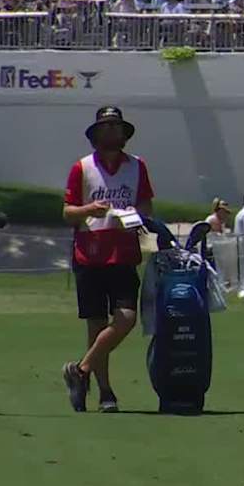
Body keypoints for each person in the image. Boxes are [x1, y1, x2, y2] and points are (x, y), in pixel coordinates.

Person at [59, 106, 154, 414]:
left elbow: (146, 208)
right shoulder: (82, 167)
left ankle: (81, 370)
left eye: (116, 127)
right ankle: (105, 392)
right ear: (96, 134)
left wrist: (134, 217)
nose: (112, 132)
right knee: (96, 325)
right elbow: (68, 213)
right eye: (106, 127)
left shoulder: (137, 167)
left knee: (126, 318)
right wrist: (89, 210)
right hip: (90, 251)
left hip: (124, 251)